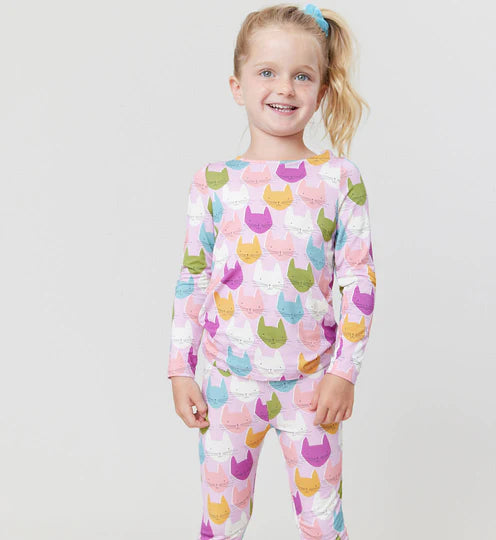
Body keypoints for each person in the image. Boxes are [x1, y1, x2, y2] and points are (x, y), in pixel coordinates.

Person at [167, 4, 377, 538]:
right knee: (222, 520)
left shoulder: (339, 178)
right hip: (227, 382)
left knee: (322, 521)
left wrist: (343, 371)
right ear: (237, 86)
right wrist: (180, 369)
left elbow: (358, 279)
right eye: (267, 72)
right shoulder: (213, 182)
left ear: (321, 91)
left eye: (302, 75)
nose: (284, 87)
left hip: (313, 384)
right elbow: (193, 277)